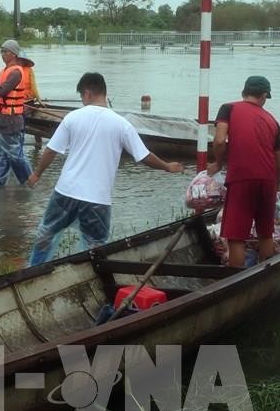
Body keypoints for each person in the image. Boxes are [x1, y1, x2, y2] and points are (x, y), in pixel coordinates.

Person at [27, 72, 182, 266]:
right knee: (96, 247)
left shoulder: (72, 118)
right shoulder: (122, 124)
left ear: (87, 93)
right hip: (97, 200)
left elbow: (51, 150)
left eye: (82, 96)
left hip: (66, 192)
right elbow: (144, 156)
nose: (82, 101)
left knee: (47, 234)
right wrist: (167, 167)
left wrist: (36, 174)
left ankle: (34, 272)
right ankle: (92, 276)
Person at [206, 75, 280, 268]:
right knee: (266, 233)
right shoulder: (272, 120)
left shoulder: (228, 108)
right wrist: (277, 184)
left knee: (236, 236)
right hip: (268, 181)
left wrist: (218, 163)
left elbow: (219, 140)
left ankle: (235, 278)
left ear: (244, 92)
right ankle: (266, 274)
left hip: (241, 178)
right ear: (264, 96)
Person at [0, 39, 32, 186]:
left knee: (15, 154)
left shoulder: (16, 72)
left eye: (4, 51)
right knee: (2, 157)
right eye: (1, 51)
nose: (2, 54)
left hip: (11, 120)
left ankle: (30, 181)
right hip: (3, 119)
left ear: (13, 54)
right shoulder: (4, 72)